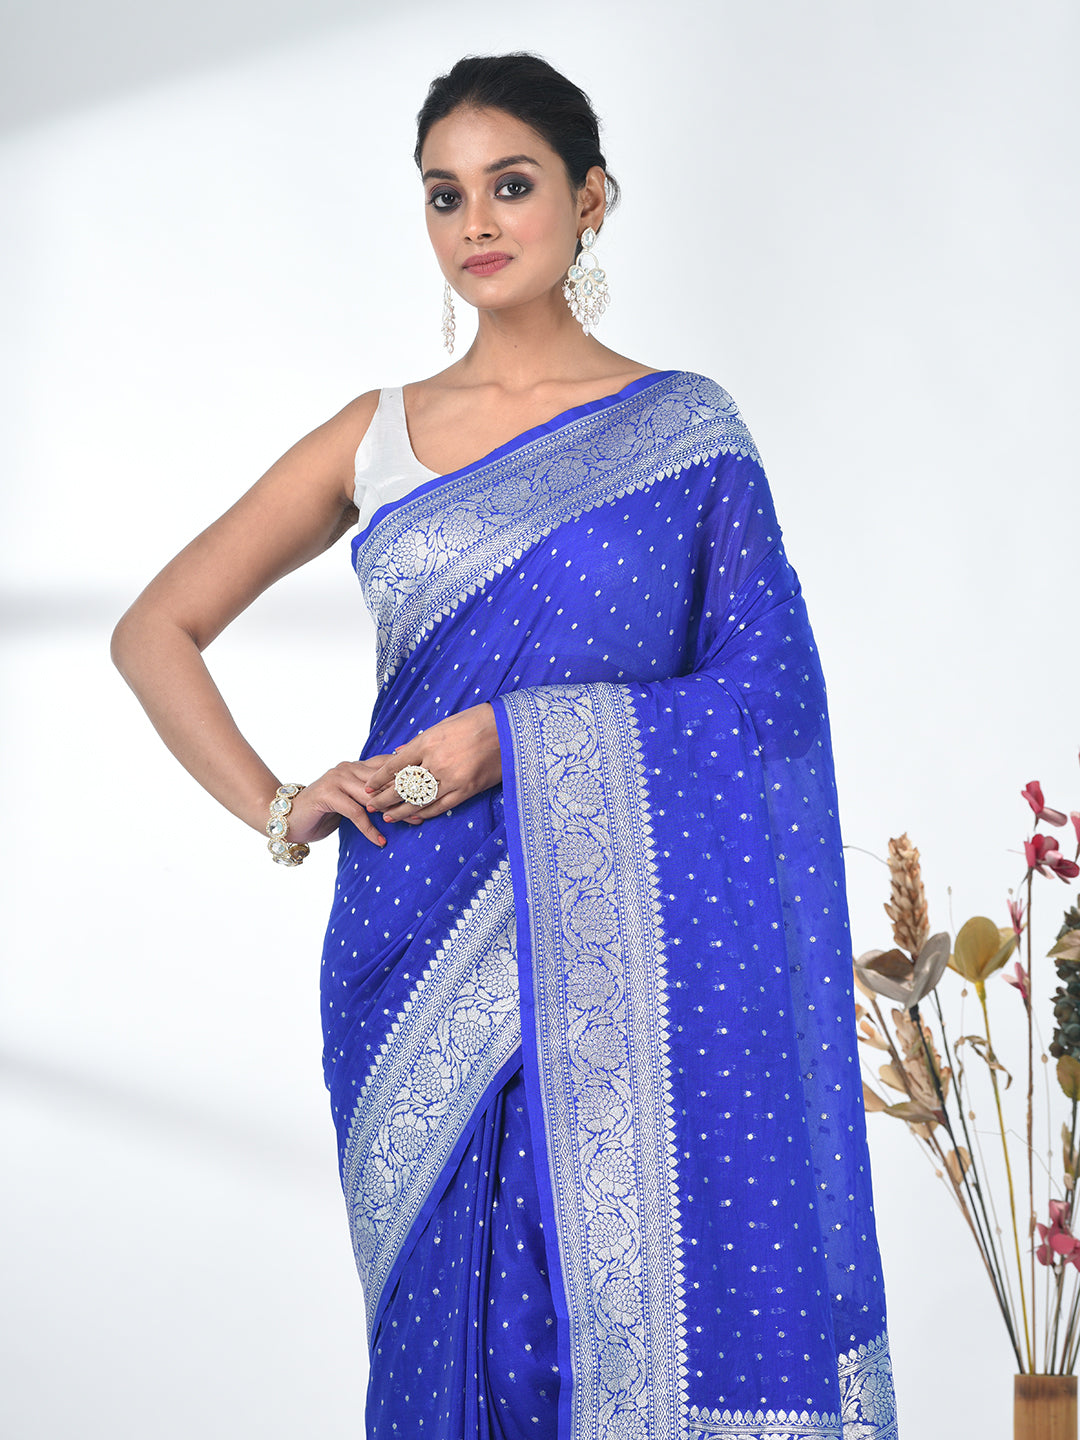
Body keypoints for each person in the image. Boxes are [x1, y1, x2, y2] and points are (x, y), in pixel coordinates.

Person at [112, 50, 898, 1440]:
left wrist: (508, 741)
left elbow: (769, 703)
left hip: (631, 949)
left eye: (512, 185)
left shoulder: (688, 434)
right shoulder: (376, 436)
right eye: (444, 194)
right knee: (451, 1338)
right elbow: (154, 630)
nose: (475, 222)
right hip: (412, 937)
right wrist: (281, 803)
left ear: (591, 200)